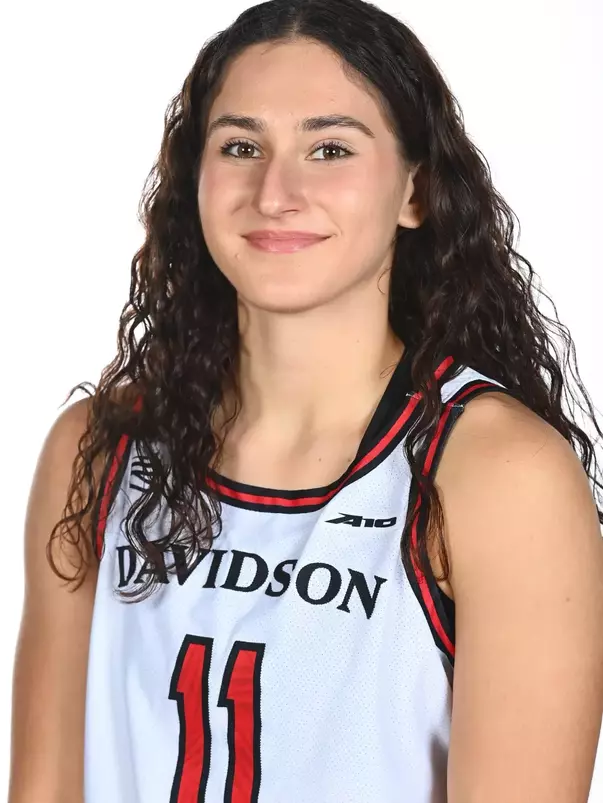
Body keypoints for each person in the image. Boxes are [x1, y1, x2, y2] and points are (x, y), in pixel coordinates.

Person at [9, 0, 603, 801]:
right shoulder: (100, 448)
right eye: (240, 146)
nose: (275, 192)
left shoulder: (496, 472)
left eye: (329, 149)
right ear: (194, 178)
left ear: (415, 192)